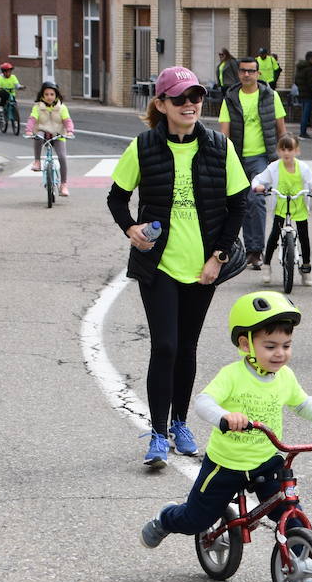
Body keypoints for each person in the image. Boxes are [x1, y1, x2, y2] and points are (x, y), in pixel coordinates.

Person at [106, 66, 249, 466]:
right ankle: (157, 432)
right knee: (165, 346)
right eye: (181, 98)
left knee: (187, 347)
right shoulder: (144, 147)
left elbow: (238, 203)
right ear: (162, 104)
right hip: (159, 266)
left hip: (204, 268)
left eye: (196, 97)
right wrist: (130, 228)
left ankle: (181, 423)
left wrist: (217, 258)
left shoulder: (220, 147)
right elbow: (117, 198)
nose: (191, 105)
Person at [140, 291, 312, 549]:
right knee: (195, 519)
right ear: (246, 344)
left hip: (266, 461)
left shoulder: (285, 377)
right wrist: (225, 417)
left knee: (291, 513)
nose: (280, 354)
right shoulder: (233, 375)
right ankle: (166, 519)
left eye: (286, 345)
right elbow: (203, 402)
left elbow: (302, 403)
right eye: (270, 346)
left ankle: (301, 561)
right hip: (226, 464)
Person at [219, 56, 287, 271]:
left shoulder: (270, 96)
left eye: (250, 71)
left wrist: (285, 157)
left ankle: (255, 251)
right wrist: (223, 158)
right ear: (238, 73)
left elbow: (281, 128)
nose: (246, 74)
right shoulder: (230, 98)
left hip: (261, 158)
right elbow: (224, 133)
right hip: (237, 158)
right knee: (237, 203)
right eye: (243, 71)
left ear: (258, 73)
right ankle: (232, 247)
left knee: (255, 199)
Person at [252, 134, 312, 287]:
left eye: (290, 149)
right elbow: (258, 179)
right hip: (282, 204)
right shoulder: (274, 167)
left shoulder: (303, 167)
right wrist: (258, 186)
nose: (286, 153)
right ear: (279, 151)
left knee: (304, 236)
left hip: (298, 205)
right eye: (283, 149)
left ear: (297, 151)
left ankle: (306, 267)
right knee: (274, 235)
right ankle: (267, 265)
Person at [25, 81, 75, 197]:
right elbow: (32, 119)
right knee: (38, 136)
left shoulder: (62, 108)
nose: (49, 97)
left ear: (56, 95)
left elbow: (67, 121)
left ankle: (63, 185)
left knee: (62, 157)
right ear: (42, 95)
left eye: (52, 94)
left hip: (58, 134)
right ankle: (37, 161)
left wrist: (70, 131)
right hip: (43, 131)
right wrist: (28, 130)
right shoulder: (37, 107)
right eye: (46, 94)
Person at [293, 52, 312, 139]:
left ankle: (302, 131)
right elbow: (311, 84)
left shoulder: (300, 68)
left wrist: (301, 87)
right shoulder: (309, 69)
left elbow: (296, 81)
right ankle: (303, 132)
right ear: (311, 59)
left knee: (304, 112)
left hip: (301, 93)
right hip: (308, 94)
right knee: (306, 114)